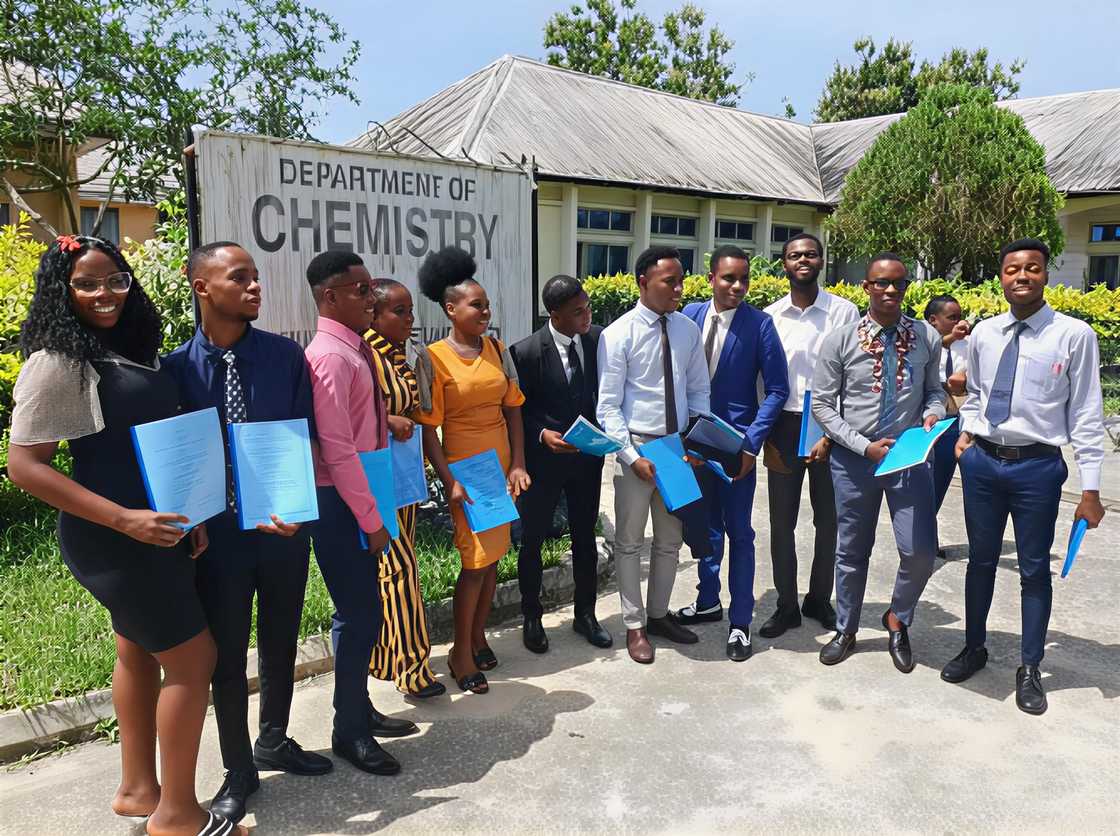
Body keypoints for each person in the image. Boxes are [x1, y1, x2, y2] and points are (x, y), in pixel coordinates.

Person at [7, 235, 247, 836]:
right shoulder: (60, 361)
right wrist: (126, 520)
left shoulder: (125, 350)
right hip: (115, 539)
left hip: (158, 530)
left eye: (115, 279)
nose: (104, 294)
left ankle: (139, 790)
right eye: (86, 284)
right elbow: (25, 466)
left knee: (137, 651)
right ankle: (179, 817)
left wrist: (184, 516)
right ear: (62, 293)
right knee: (194, 660)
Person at [161, 242, 332, 824]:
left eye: (256, 277)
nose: (255, 286)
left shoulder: (286, 357)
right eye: (240, 277)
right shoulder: (174, 371)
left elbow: (305, 436)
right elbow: (175, 462)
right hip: (216, 540)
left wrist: (298, 506)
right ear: (202, 287)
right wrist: (186, 522)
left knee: (282, 635)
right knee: (227, 656)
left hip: (281, 527)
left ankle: (275, 738)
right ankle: (239, 768)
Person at [941, 238, 1106, 715]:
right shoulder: (987, 333)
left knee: (1034, 569)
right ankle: (974, 647)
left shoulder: (1074, 335)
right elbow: (976, 393)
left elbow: (1087, 415)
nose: (1022, 277)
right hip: (983, 465)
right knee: (981, 561)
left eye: (1032, 268)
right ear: (1001, 275)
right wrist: (968, 432)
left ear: (1045, 275)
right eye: (1012, 269)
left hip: (1037, 467)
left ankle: (1030, 666)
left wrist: (1090, 489)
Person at [304, 250, 414, 777]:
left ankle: (358, 709)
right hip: (341, 501)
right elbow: (336, 447)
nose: (372, 299)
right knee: (359, 612)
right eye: (361, 290)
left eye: (371, 289)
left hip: (361, 491)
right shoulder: (329, 355)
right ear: (330, 297)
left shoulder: (353, 349)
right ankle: (348, 731)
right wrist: (370, 519)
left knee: (365, 608)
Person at [811, 253, 945, 673]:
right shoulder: (840, 339)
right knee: (851, 550)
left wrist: (933, 414)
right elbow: (822, 404)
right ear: (866, 287)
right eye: (881, 283)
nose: (890, 291)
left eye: (899, 284)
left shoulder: (927, 336)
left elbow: (935, 391)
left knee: (920, 551)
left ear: (907, 288)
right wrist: (861, 446)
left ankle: (897, 619)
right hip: (855, 460)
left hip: (908, 459)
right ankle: (846, 627)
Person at [416, 246, 530, 694]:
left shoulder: (498, 349)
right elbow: (428, 429)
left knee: (494, 557)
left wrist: (518, 463)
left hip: (500, 468)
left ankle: (477, 635)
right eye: (476, 305)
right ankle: (460, 653)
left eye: (486, 304)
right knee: (474, 562)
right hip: (467, 472)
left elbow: (515, 410)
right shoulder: (433, 358)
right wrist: (449, 481)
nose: (486, 311)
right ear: (451, 309)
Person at [672, 245, 789, 661]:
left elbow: (778, 390)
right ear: (711, 279)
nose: (737, 286)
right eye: (729, 278)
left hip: (735, 448)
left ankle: (740, 623)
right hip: (691, 444)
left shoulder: (760, 325)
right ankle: (707, 601)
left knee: (740, 533)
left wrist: (751, 443)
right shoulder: (688, 318)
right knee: (704, 529)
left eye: (744, 279)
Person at [597, 245, 711, 664]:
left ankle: (660, 615)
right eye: (670, 281)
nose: (679, 289)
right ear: (643, 282)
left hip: (676, 448)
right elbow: (607, 406)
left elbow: (699, 389)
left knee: (670, 540)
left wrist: (696, 441)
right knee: (629, 543)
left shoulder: (686, 330)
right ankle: (634, 625)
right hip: (638, 448)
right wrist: (630, 455)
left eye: (682, 280)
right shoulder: (618, 334)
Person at [760, 233, 859, 638]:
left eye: (811, 254)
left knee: (829, 520)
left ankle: (819, 598)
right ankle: (786, 605)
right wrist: (763, 434)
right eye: (794, 255)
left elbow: (855, 375)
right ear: (783, 263)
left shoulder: (844, 312)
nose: (803, 260)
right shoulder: (770, 316)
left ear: (822, 260)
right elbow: (760, 379)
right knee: (781, 522)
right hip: (783, 424)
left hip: (830, 422)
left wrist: (834, 434)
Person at [509, 275, 611, 654]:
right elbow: (520, 408)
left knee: (585, 538)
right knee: (532, 540)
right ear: (554, 314)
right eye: (578, 312)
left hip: (586, 461)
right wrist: (541, 435)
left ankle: (586, 614)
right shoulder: (526, 352)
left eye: (588, 308)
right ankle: (531, 616)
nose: (587, 317)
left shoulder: (598, 340)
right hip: (544, 461)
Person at [363, 278, 445, 699]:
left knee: (390, 571)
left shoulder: (398, 356)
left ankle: (383, 657)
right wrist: (386, 417)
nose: (409, 319)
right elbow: (347, 406)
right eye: (399, 311)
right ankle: (413, 669)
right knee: (400, 570)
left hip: (404, 478)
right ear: (373, 314)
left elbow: (418, 413)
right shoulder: (366, 354)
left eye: (411, 311)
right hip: (378, 482)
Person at [923, 294, 970, 558]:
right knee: (925, 483)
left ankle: (929, 536)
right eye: (952, 318)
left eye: (960, 316)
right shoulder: (925, 343)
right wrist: (951, 338)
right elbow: (934, 347)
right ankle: (923, 538)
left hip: (957, 422)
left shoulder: (966, 346)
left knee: (941, 482)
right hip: (930, 421)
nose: (959, 322)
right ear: (933, 320)